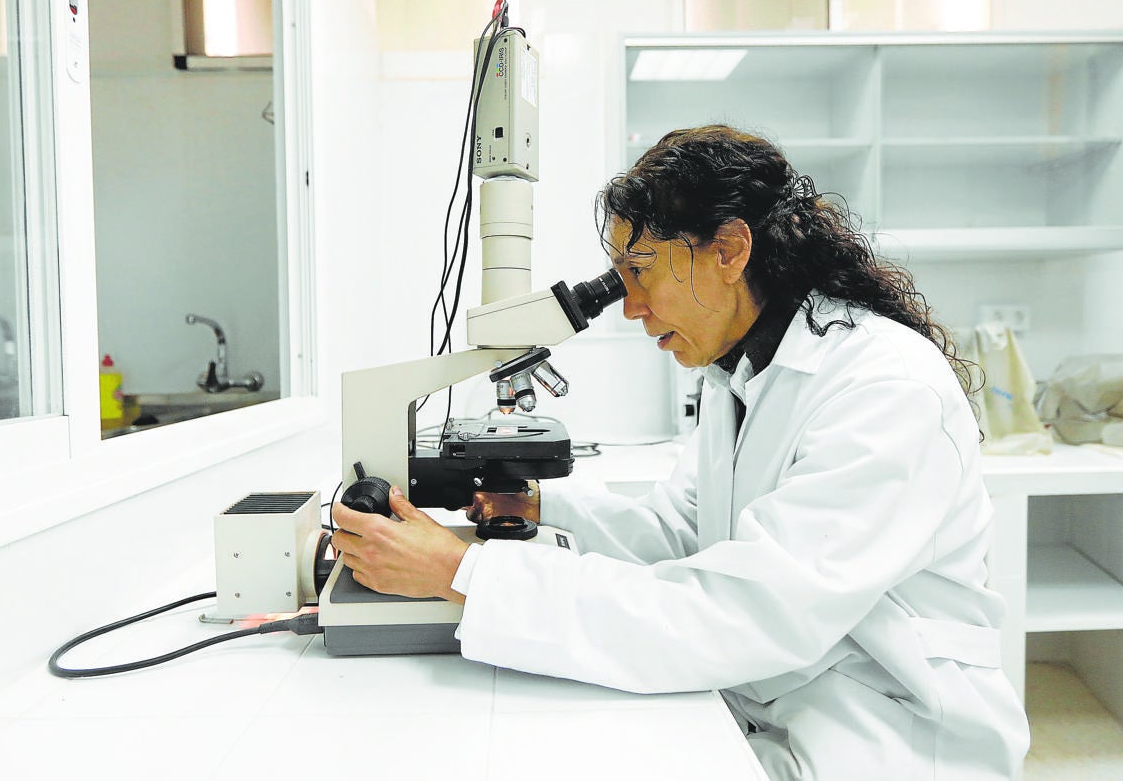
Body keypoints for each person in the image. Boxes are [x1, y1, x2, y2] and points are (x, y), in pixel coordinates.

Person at [331, 125, 1030, 779]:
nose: (629, 307)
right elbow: (681, 534)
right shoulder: (745, 374)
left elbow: (743, 612)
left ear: (728, 249)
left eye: (639, 271)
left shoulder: (885, 388)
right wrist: (535, 506)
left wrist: (464, 573)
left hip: (884, 739)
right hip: (777, 706)